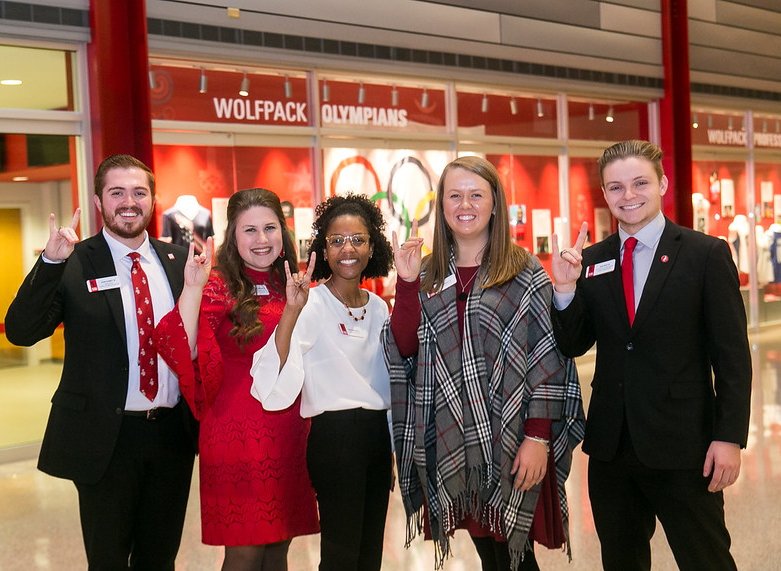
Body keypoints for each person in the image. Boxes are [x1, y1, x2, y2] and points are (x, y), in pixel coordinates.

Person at [551, 140, 752, 570]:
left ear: (661, 183)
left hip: (686, 446)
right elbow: (574, 344)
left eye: (640, 182)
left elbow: (732, 356)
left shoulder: (705, 254)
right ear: (605, 194)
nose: (629, 196)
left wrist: (729, 437)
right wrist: (565, 290)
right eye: (616, 187)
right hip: (611, 448)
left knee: (706, 560)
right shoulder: (591, 259)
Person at [383, 156, 584, 570]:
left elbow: (547, 357)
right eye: (454, 195)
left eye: (477, 194)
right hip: (454, 441)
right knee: (492, 555)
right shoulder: (426, 273)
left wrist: (538, 437)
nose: (465, 204)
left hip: (514, 441)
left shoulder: (525, 271)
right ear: (441, 207)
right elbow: (404, 348)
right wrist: (405, 285)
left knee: (515, 556)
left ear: (496, 203)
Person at [4, 154, 197, 570]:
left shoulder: (180, 262)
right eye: (117, 193)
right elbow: (21, 331)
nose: (129, 202)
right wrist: (50, 262)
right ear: (99, 202)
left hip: (171, 437)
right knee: (108, 560)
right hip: (105, 439)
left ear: (152, 199)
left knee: (160, 557)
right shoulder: (74, 259)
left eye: (139, 192)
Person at [153, 188, 319, 570]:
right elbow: (181, 346)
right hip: (237, 433)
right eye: (249, 230)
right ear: (233, 234)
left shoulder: (290, 281)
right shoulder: (217, 283)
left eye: (270, 228)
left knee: (279, 548)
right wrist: (192, 289)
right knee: (245, 551)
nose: (262, 240)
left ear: (284, 231)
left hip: (290, 430)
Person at [251, 193, 395, 570]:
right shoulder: (311, 303)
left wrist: (391, 449)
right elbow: (272, 373)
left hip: (377, 438)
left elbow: (390, 382)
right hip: (336, 441)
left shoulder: (380, 308)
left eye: (358, 239)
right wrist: (291, 312)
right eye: (336, 240)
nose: (348, 248)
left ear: (371, 246)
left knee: (369, 553)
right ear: (324, 250)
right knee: (340, 555)